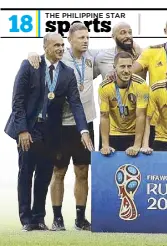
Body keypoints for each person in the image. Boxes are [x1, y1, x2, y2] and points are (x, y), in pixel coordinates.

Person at [5, 32, 92, 232]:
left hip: (51, 133)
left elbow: (76, 105)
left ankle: (39, 218)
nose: (61, 48)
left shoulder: (68, 73)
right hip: (29, 129)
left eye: (62, 45)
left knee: (44, 175)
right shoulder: (30, 65)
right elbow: (17, 101)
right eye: (56, 45)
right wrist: (22, 130)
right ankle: (26, 219)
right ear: (46, 47)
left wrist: (83, 130)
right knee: (26, 173)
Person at [49, 23, 99, 231]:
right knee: (58, 171)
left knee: (82, 171)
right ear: (70, 40)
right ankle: (57, 218)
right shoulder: (60, 57)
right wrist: (32, 53)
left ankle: (80, 218)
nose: (85, 41)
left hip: (85, 124)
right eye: (80, 38)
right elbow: (43, 59)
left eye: (87, 37)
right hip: (61, 126)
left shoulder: (92, 58)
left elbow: (118, 51)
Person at [99, 52, 150, 157]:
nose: (126, 71)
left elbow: (141, 116)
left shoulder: (141, 85)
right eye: (122, 66)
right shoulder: (105, 87)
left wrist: (137, 145)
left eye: (129, 66)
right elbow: (104, 116)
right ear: (114, 67)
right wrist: (105, 145)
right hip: (113, 133)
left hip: (134, 133)